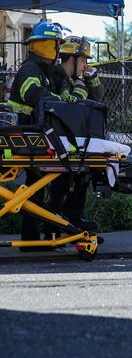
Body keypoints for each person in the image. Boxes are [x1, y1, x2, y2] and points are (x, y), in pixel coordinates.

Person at [6, 21, 65, 247]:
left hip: (32, 137)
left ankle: (33, 241)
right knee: (34, 191)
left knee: (35, 190)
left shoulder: (41, 70)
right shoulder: (31, 70)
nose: (58, 50)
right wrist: (59, 101)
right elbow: (35, 95)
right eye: (56, 45)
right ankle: (31, 241)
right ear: (48, 45)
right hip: (26, 137)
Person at [47, 35, 102, 234]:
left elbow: (96, 101)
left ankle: (74, 220)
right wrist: (80, 89)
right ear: (72, 59)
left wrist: (91, 78)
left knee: (82, 175)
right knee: (60, 184)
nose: (86, 65)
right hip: (57, 141)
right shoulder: (57, 78)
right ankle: (53, 228)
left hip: (70, 140)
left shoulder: (72, 79)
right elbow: (69, 105)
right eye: (83, 60)